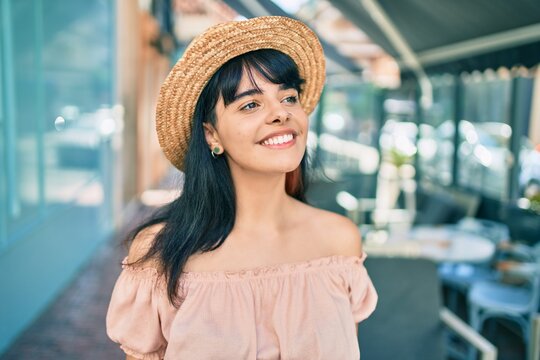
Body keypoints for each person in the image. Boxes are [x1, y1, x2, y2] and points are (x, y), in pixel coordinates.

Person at [106, 16, 377, 360]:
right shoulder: (161, 252)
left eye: (289, 97)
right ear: (211, 135)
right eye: (250, 104)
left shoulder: (340, 240)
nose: (280, 113)